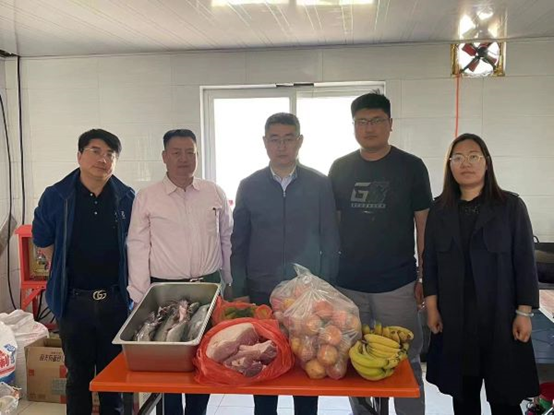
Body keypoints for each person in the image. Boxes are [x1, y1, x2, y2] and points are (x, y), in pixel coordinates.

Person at [328, 92, 431, 415]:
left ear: (390, 124)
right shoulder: (340, 167)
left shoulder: (411, 167)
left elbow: (423, 225)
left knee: (405, 361)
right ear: (353, 126)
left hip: (398, 284)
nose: (369, 128)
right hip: (348, 284)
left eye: (376, 120)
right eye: (361, 121)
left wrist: (424, 276)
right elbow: (333, 227)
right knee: (354, 359)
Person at [231, 112, 340, 415]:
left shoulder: (319, 184)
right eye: (275, 139)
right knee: (263, 368)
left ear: (299, 141)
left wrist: (326, 290)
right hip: (261, 292)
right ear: (265, 143)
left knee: (306, 368)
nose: (281, 146)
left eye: (288, 139)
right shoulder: (249, 185)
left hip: (306, 296)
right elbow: (239, 243)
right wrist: (239, 289)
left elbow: (331, 241)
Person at [423, 133, 539, 414]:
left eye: (473, 156)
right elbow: (431, 262)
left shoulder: (510, 207)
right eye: (458, 158)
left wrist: (524, 313)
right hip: (456, 319)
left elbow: (525, 261)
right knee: (463, 398)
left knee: (505, 399)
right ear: (450, 165)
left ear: (487, 162)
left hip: (501, 318)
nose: (466, 163)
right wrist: (432, 308)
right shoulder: (440, 210)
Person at [127, 128, 233, 415]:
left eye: (190, 152)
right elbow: (137, 246)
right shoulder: (148, 197)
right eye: (176, 153)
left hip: (209, 287)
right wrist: (139, 295)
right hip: (166, 290)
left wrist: (229, 279)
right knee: (170, 363)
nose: (184, 159)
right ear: (164, 156)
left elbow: (226, 238)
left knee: (206, 358)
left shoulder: (213, 192)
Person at [32, 129, 134, 415]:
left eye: (110, 154)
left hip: (115, 302)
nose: (103, 159)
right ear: (79, 156)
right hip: (73, 302)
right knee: (78, 377)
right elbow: (43, 240)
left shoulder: (126, 197)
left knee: (114, 379)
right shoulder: (57, 196)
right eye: (95, 151)